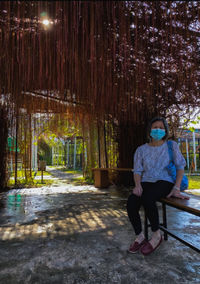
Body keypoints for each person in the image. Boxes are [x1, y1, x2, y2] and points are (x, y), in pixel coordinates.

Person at [127, 117, 189, 256]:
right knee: (132, 202)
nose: (158, 130)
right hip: (146, 181)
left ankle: (156, 235)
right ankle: (140, 236)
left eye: (161, 128)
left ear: (165, 131)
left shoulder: (171, 146)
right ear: (149, 130)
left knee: (148, 198)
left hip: (165, 181)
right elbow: (137, 171)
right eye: (155, 127)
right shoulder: (141, 150)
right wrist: (137, 185)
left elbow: (180, 167)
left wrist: (176, 188)